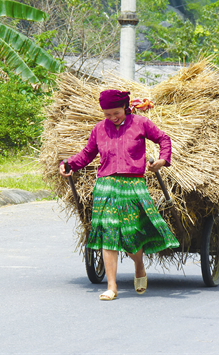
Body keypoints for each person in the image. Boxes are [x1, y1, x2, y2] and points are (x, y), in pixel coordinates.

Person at [59, 89, 179, 300]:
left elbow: (163, 139)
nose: (112, 118)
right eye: (107, 114)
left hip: (133, 185)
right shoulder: (99, 129)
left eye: (116, 113)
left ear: (125, 107)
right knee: (109, 234)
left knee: (131, 234)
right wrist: (68, 164)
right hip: (105, 186)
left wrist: (162, 160)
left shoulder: (141, 124)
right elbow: (87, 154)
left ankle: (139, 266)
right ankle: (112, 286)